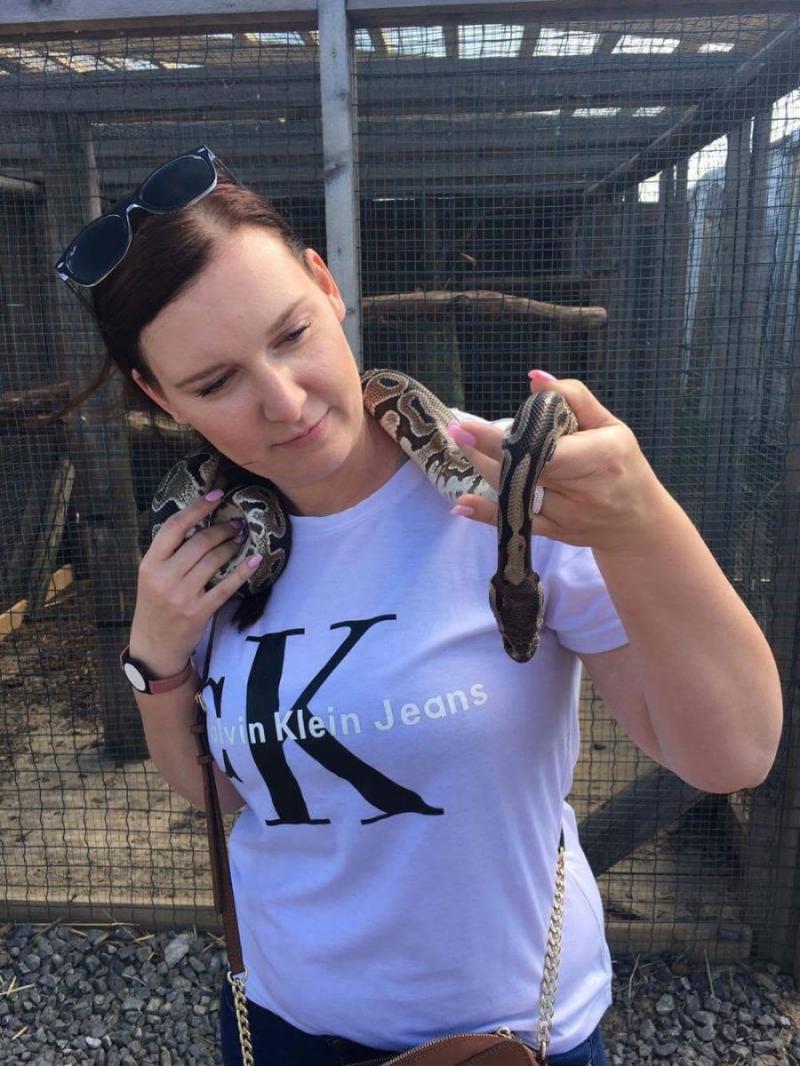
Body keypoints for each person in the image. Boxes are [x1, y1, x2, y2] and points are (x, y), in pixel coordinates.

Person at [55, 146, 783, 1066]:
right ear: (158, 396)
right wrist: (156, 660)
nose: (284, 400)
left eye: (290, 334)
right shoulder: (202, 551)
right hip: (280, 1021)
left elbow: (731, 755)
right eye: (214, 382)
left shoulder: (520, 488)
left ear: (327, 286)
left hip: (512, 1034)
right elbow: (229, 794)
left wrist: (647, 526)